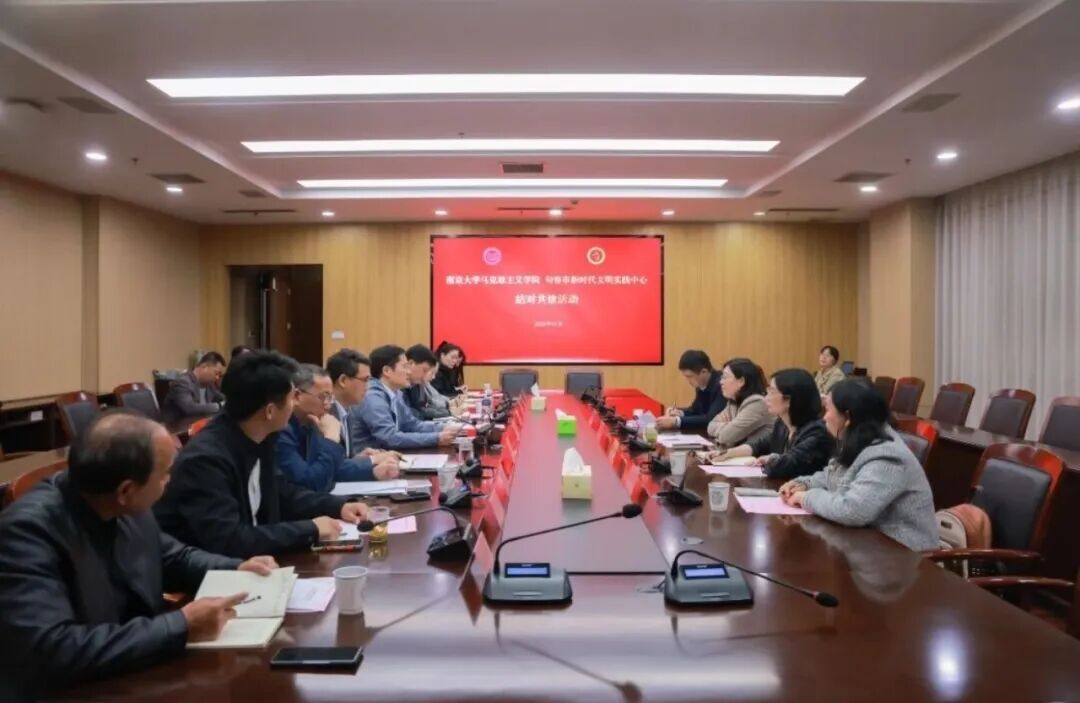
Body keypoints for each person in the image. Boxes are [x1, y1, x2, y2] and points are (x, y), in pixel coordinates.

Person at [0, 411, 277, 700]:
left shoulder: (119, 501)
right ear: (127, 490)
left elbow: (172, 557)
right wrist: (181, 625)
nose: (170, 481)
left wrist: (237, 568)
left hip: (131, 670)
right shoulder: (25, 533)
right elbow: (53, 650)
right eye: (166, 473)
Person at [155, 350, 367, 557]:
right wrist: (310, 529)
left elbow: (284, 493)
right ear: (270, 411)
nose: (295, 404)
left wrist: (337, 506)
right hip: (211, 574)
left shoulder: (261, 436)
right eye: (292, 397)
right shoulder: (206, 460)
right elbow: (230, 540)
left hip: (254, 562)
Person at [780, 379, 938, 551]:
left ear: (848, 417)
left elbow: (853, 510)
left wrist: (806, 497)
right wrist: (804, 484)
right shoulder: (859, 440)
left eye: (828, 409)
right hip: (866, 545)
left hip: (904, 555)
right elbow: (833, 475)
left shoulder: (887, 456)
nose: (824, 417)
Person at [276, 363, 399, 492]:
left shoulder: (311, 422)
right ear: (296, 396)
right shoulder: (281, 430)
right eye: (323, 397)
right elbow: (311, 483)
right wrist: (331, 440)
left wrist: (373, 472)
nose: (328, 405)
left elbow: (329, 468)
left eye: (330, 397)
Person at [712, 368, 833, 480]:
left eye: (772, 392)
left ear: (789, 399)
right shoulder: (782, 424)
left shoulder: (816, 432)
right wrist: (727, 454)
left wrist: (772, 459)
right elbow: (759, 445)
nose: (766, 398)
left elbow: (788, 465)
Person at [351, 345, 460, 451]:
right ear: (387, 371)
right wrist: (436, 438)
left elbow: (413, 425)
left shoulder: (396, 393)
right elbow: (390, 438)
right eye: (404, 367)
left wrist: (444, 427)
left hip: (390, 456)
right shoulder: (373, 397)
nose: (409, 371)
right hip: (372, 459)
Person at [326, 348, 402, 467]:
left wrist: (359, 458)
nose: (368, 386)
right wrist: (372, 460)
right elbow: (332, 468)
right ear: (343, 381)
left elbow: (342, 460)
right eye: (365, 380)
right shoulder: (325, 414)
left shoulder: (347, 410)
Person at [706, 358, 774, 450]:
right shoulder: (733, 402)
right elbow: (710, 426)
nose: (721, 382)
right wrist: (728, 428)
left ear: (741, 381)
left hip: (758, 457)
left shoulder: (757, 403)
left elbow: (726, 436)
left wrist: (728, 429)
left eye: (725, 377)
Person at [656, 350, 726, 431]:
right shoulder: (702, 384)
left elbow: (711, 419)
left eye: (689, 376)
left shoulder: (722, 385)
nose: (688, 381)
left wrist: (676, 421)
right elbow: (695, 411)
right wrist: (680, 413)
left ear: (703, 372)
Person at [161, 351, 226, 427]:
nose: (217, 377)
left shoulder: (209, 385)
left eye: (219, 375)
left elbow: (223, 398)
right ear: (204, 367)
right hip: (178, 430)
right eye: (216, 373)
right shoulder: (182, 383)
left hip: (201, 428)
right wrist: (218, 406)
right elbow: (190, 408)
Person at [403, 344, 456, 421]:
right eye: (425, 370)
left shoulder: (415, 385)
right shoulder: (402, 387)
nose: (433, 377)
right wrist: (449, 412)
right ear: (410, 364)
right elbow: (416, 414)